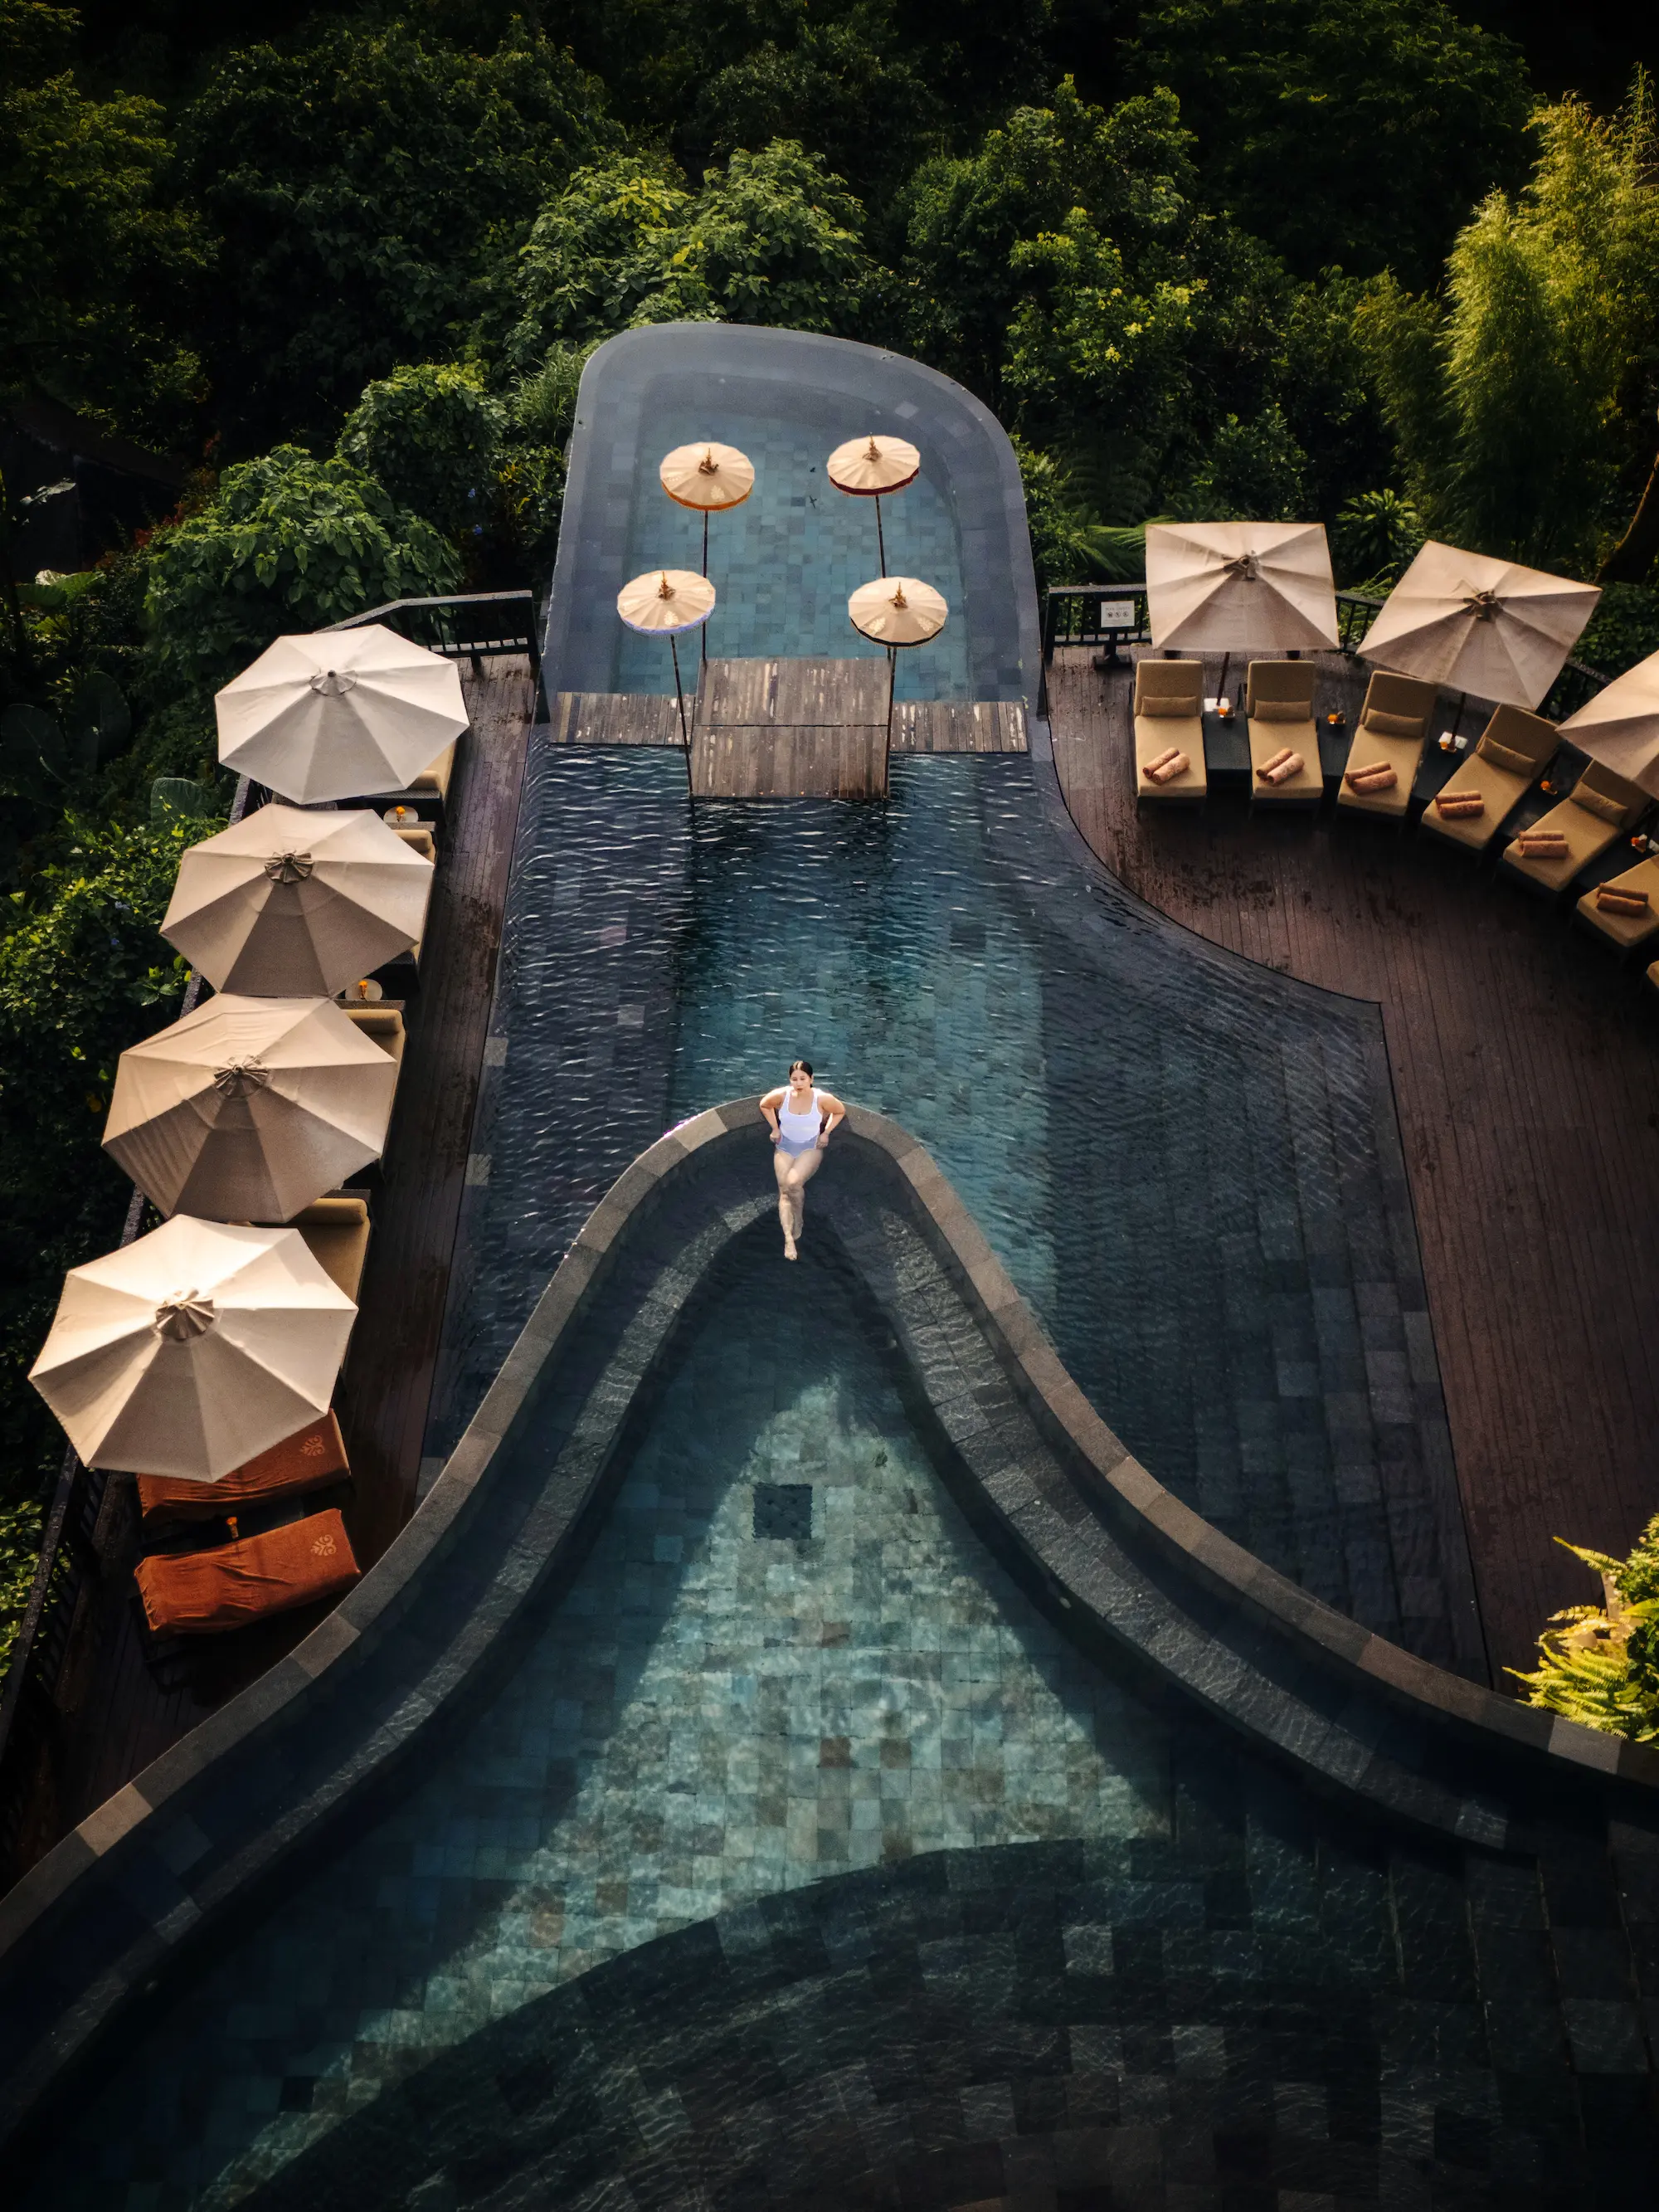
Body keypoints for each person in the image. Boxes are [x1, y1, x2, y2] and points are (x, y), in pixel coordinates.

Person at [759, 1060, 845, 1259]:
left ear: (811, 1079)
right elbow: (764, 1105)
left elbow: (839, 1111)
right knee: (783, 1189)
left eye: (803, 1079)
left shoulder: (821, 1098)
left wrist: (826, 1133)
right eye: (794, 1079)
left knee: (793, 1183)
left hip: (810, 1147)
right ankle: (788, 1237)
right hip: (785, 1146)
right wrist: (775, 1127)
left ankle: (798, 1218)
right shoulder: (783, 1095)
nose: (798, 1083)